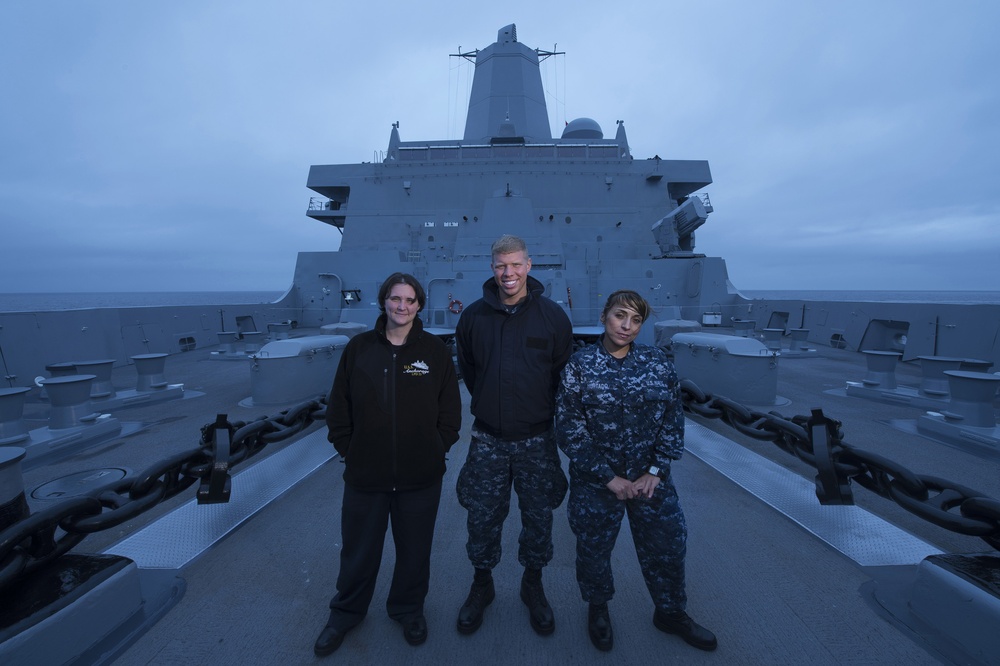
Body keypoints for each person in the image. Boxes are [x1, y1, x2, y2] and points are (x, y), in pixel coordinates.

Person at [554, 290, 717, 653]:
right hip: (598, 484)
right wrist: (607, 477)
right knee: (594, 551)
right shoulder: (580, 367)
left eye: (636, 320)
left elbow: (673, 421)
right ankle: (598, 610)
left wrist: (656, 471)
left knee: (668, 547)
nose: (626, 326)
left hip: (650, 481)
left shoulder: (657, 363)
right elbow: (569, 429)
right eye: (620, 316)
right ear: (604, 317)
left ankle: (671, 612)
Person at [314, 272, 462, 657]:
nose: (402, 306)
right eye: (395, 299)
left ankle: (408, 610)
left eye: (410, 300)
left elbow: (450, 410)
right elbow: (339, 406)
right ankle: (345, 614)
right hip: (366, 475)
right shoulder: (359, 348)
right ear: (384, 302)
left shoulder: (434, 352)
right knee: (358, 552)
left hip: (420, 476)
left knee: (415, 552)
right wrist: (350, 449)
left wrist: (436, 447)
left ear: (418, 306)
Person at [454, 234, 573, 636]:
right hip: (488, 439)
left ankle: (533, 585)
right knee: (482, 518)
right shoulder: (472, 318)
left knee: (538, 519)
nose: (509, 273)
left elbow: (560, 376)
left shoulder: (553, 317)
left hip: (537, 441)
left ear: (529, 265)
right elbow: (471, 373)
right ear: (492, 267)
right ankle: (481, 585)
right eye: (502, 266)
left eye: (516, 265)